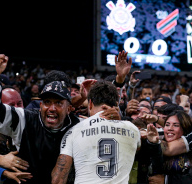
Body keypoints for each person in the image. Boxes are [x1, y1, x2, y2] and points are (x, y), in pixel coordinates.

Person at [0, 54, 81, 184]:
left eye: (59, 103)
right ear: (40, 105)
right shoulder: (24, 119)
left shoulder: (79, 126)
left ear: (69, 108)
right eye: (47, 102)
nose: (52, 108)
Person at [51, 52, 139, 184]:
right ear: (116, 104)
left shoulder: (74, 131)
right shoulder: (132, 129)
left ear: (90, 103)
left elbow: (58, 179)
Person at [148, 110, 192, 184]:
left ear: (185, 129)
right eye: (167, 125)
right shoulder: (157, 145)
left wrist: (167, 180)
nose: (170, 128)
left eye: (176, 125)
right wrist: (154, 144)